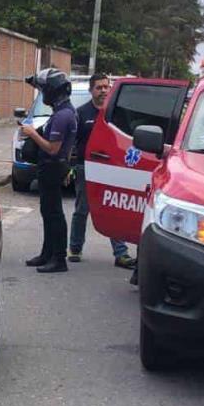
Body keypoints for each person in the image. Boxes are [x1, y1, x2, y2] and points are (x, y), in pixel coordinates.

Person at [69, 73, 134, 269]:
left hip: (111, 169)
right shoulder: (81, 113)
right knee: (82, 210)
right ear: (91, 91)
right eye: (99, 87)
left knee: (112, 210)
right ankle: (75, 249)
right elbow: (73, 143)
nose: (103, 90)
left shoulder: (117, 113)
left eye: (106, 87)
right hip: (86, 168)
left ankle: (121, 253)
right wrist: (71, 167)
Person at [21, 69, 77, 273]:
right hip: (52, 167)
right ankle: (47, 253)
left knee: (54, 213)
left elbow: (52, 149)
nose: (42, 94)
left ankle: (58, 258)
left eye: (44, 90)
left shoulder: (63, 115)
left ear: (53, 91)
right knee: (48, 211)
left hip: (52, 167)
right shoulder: (63, 112)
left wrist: (32, 133)